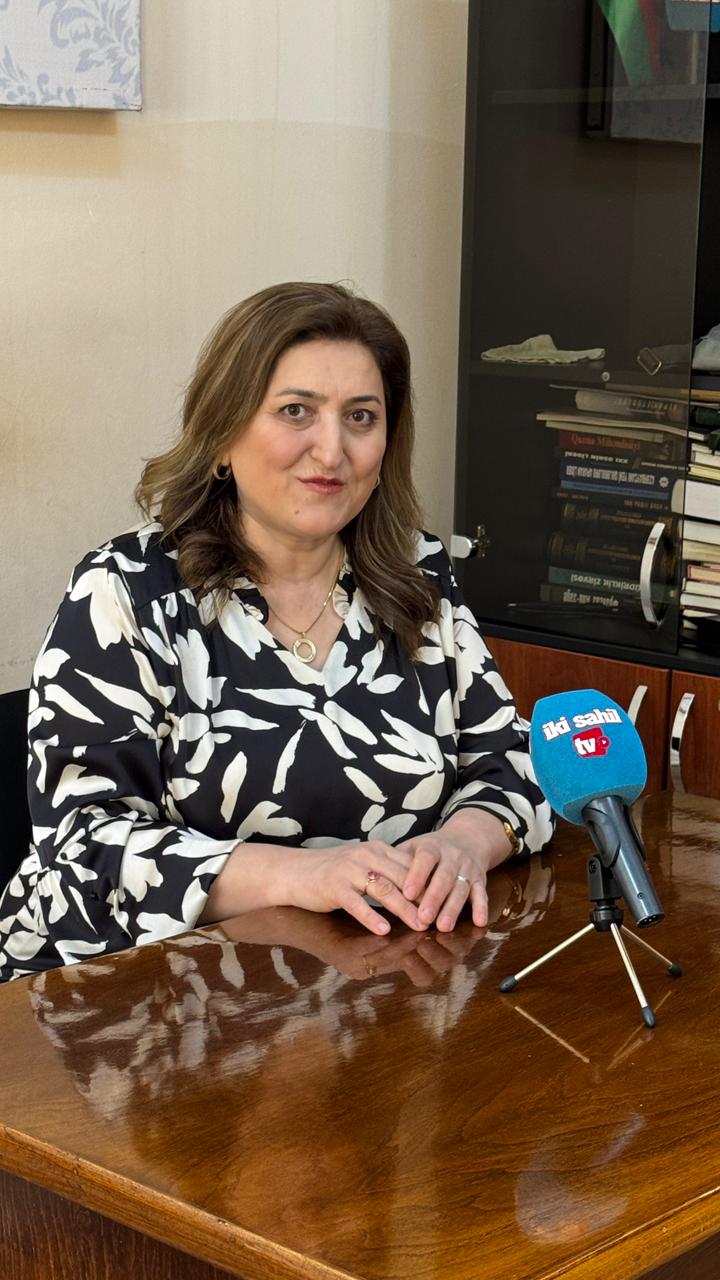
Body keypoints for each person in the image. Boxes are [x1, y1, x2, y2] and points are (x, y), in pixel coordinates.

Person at [0, 282, 554, 981]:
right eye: (297, 411)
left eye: (361, 417)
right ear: (223, 434)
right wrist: (302, 876)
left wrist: (465, 844)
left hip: (376, 982)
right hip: (136, 999)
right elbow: (82, 849)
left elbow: (513, 761)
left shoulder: (415, 573)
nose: (332, 450)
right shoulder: (125, 590)